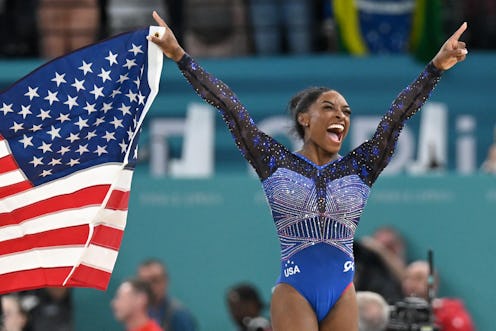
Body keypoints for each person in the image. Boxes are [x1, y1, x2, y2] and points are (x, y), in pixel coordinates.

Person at [148, 10, 468, 330]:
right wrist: (180, 56)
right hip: (294, 289)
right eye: (328, 107)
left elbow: (397, 117)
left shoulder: (361, 166)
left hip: (342, 290)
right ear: (305, 119)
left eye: (346, 111)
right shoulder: (274, 161)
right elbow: (229, 107)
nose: (340, 116)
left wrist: (435, 68)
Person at [402, 261, 475, 331]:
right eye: (407, 278)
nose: (410, 283)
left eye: (418, 278)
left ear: (433, 284)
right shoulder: (399, 312)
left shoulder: (449, 312)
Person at [137, 259, 197, 331]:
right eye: (144, 283)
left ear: (166, 281)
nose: (150, 287)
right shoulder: (139, 314)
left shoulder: (179, 315)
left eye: (155, 280)